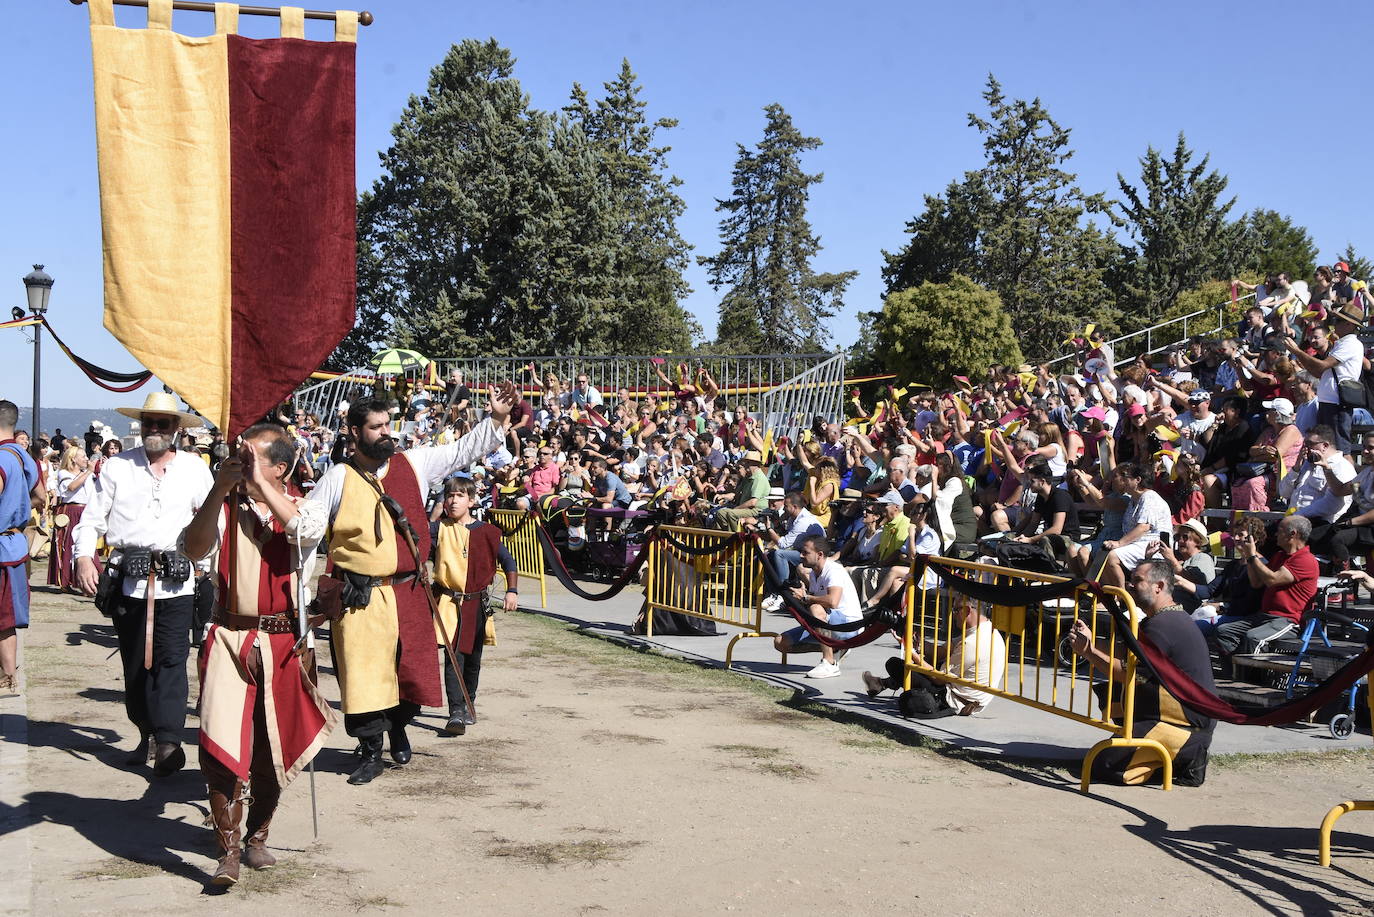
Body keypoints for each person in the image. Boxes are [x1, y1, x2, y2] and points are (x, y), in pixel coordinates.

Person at [305, 386, 512, 785]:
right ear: (353, 431)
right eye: (376, 427)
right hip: (360, 595)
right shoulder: (337, 478)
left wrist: (498, 419)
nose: (387, 433)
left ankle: (399, 727)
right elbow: (308, 527)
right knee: (364, 676)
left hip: (408, 591)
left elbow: (461, 451)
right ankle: (369, 750)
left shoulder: (413, 464)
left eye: (388, 425)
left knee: (410, 671)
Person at [180, 423, 337, 887]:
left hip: (285, 643)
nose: (241, 461)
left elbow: (303, 531)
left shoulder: (303, 508)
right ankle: (226, 850)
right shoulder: (224, 507)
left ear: (281, 468)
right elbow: (193, 548)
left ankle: (257, 837)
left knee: (273, 748)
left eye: (252, 457)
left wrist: (263, 486)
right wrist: (219, 490)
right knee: (223, 748)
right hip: (230, 638)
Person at [72, 392, 215, 776]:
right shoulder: (118, 466)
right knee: (136, 665)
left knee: (171, 660)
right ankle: (145, 731)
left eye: (163, 423)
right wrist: (84, 556)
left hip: (177, 583)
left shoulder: (195, 469)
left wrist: (208, 568)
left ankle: (169, 741)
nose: (155, 428)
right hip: (129, 582)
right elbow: (91, 519)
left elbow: (212, 522)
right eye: (150, 421)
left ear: (176, 430)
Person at [1073, 558, 1215, 786]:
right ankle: (1161, 752)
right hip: (1175, 717)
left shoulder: (1163, 626)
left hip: (1184, 726)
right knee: (1111, 693)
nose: (1129, 585)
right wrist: (1089, 641)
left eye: (1137, 580)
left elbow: (1130, 673)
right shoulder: (1162, 620)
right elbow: (1127, 653)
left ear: (1158, 587)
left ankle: (1184, 758)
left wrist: (1089, 652)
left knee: (1102, 765)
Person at [430, 476, 518, 736]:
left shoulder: (486, 532)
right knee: (453, 657)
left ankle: (469, 702)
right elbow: (415, 543)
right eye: (449, 496)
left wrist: (512, 590)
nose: (453, 500)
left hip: (477, 604)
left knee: (473, 660)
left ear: (470, 500)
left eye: (459, 496)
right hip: (448, 602)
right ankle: (456, 711)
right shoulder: (438, 529)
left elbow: (508, 561)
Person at [861, 596, 1006, 718]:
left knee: (897, 671)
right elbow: (941, 652)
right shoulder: (985, 629)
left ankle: (884, 684)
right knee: (916, 664)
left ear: (967, 611)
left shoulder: (972, 643)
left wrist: (912, 653)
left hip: (957, 699)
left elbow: (939, 678)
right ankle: (883, 684)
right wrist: (918, 643)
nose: (953, 614)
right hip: (963, 690)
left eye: (955, 610)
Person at [1198, 515, 1319, 655]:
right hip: (1264, 616)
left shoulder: (1305, 560)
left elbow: (1272, 580)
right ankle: (1236, 671)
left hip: (1289, 621)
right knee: (1223, 631)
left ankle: (1250, 676)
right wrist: (1249, 555)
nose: (1275, 534)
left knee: (1254, 638)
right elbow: (1256, 583)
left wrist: (1251, 556)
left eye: (1280, 530)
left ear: (1293, 534)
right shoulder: (1279, 556)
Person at [772, 535, 862, 679]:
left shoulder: (834, 570)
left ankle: (829, 662)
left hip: (849, 626)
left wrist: (806, 598)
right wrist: (802, 598)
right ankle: (838, 648)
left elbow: (833, 602)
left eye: (805, 552)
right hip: (829, 624)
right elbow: (812, 603)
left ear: (819, 554)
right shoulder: (814, 573)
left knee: (815, 608)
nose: (801, 555)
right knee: (780, 643)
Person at [0, 400, 42, 697]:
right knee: (7, 617)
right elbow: (40, 496)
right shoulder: (23, 456)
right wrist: (19, 506)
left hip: (1, 545)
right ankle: (10, 675)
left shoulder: (1, 459)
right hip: (14, 543)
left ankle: (7, 677)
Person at [1284, 300, 1364, 454]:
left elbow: (1322, 366)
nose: (1335, 324)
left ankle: (1350, 478)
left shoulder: (1350, 343)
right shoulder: (1342, 343)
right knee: (1327, 448)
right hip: (1329, 402)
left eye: (1339, 321)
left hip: (1338, 403)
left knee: (1340, 450)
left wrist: (1297, 352)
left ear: (1350, 325)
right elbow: (1318, 373)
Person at [760, 491, 826, 612]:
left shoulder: (803, 521)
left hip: (813, 556)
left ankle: (783, 594)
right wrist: (779, 521)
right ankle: (773, 593)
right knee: (768, 555)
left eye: (786, 506)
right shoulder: (793, 518)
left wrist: (769, 528)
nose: (784, 509)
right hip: (802, 552)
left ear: (794, 507)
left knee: (780, 554)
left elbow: (783, 544)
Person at [49, 445, 99, 592]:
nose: (86, 459)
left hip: (85, 510)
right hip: (70, 510)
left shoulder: (87, 474)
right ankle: (66, 580)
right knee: (68, 545)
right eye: (82, 456)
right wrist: (89, 471)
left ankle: (90, 580)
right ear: (73, 459)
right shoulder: (63, 472)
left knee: (86, 544)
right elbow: (71, 487)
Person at [712, 450, 770, 532]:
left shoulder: (759, 478)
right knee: (720, 513)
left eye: (747, 463)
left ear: (755, 464)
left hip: (757, 510)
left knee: (731, 514)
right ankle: (725, 538)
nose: (745, 465)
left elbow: (753, 502)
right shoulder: (748, 477)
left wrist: (736, 508)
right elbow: (735, 495)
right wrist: (740, 477)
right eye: (745, 463)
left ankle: (738, 537)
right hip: (747, 508)